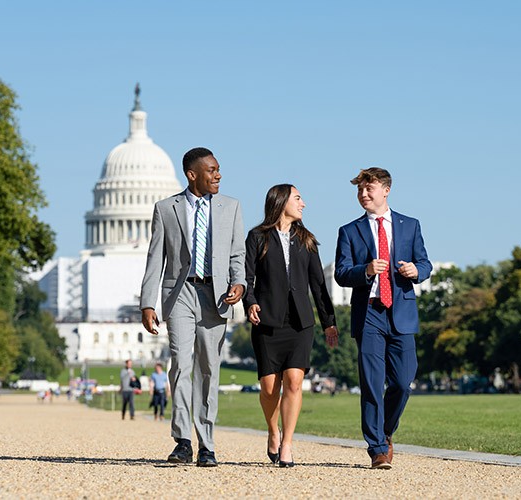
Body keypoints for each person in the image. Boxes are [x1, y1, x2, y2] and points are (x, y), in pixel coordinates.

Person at [140, 147, 246, 467]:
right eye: (212, 170)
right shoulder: (166, 208)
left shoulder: (231, 207)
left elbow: (236, 253)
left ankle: (207, 444)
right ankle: (183, 440)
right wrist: (147, 303)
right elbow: (155, 257)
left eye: (218, 170)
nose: (218, 175)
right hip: (180, 292)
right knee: (181, 365)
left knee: (209, 370)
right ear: (193, 174)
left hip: (216, 295)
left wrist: (239, 283)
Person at [334, 167, 432, 469]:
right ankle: (376, 447)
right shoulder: (349, 231)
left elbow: (425, 262)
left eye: (369, 188)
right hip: (370, 313)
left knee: (403, 383)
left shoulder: (410, 225)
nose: (364, 194)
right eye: (360, 190)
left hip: (401, 311)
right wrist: (364, 271)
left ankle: (386, 430)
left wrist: (417, 271)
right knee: (372, 383)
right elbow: (340, 274)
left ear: (386, 190)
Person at [243, 184, 339, 467]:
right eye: (298, 198)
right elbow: (247, 277)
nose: (303, 204)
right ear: (281, 201)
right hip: (267, 321)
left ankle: (287, 445)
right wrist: (249, 302)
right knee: (270, 388)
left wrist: (328, 322)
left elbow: (318, 285)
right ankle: (273, 431)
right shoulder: (257, 237)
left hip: (300, 323)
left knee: (295, 383)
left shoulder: (306, 239)